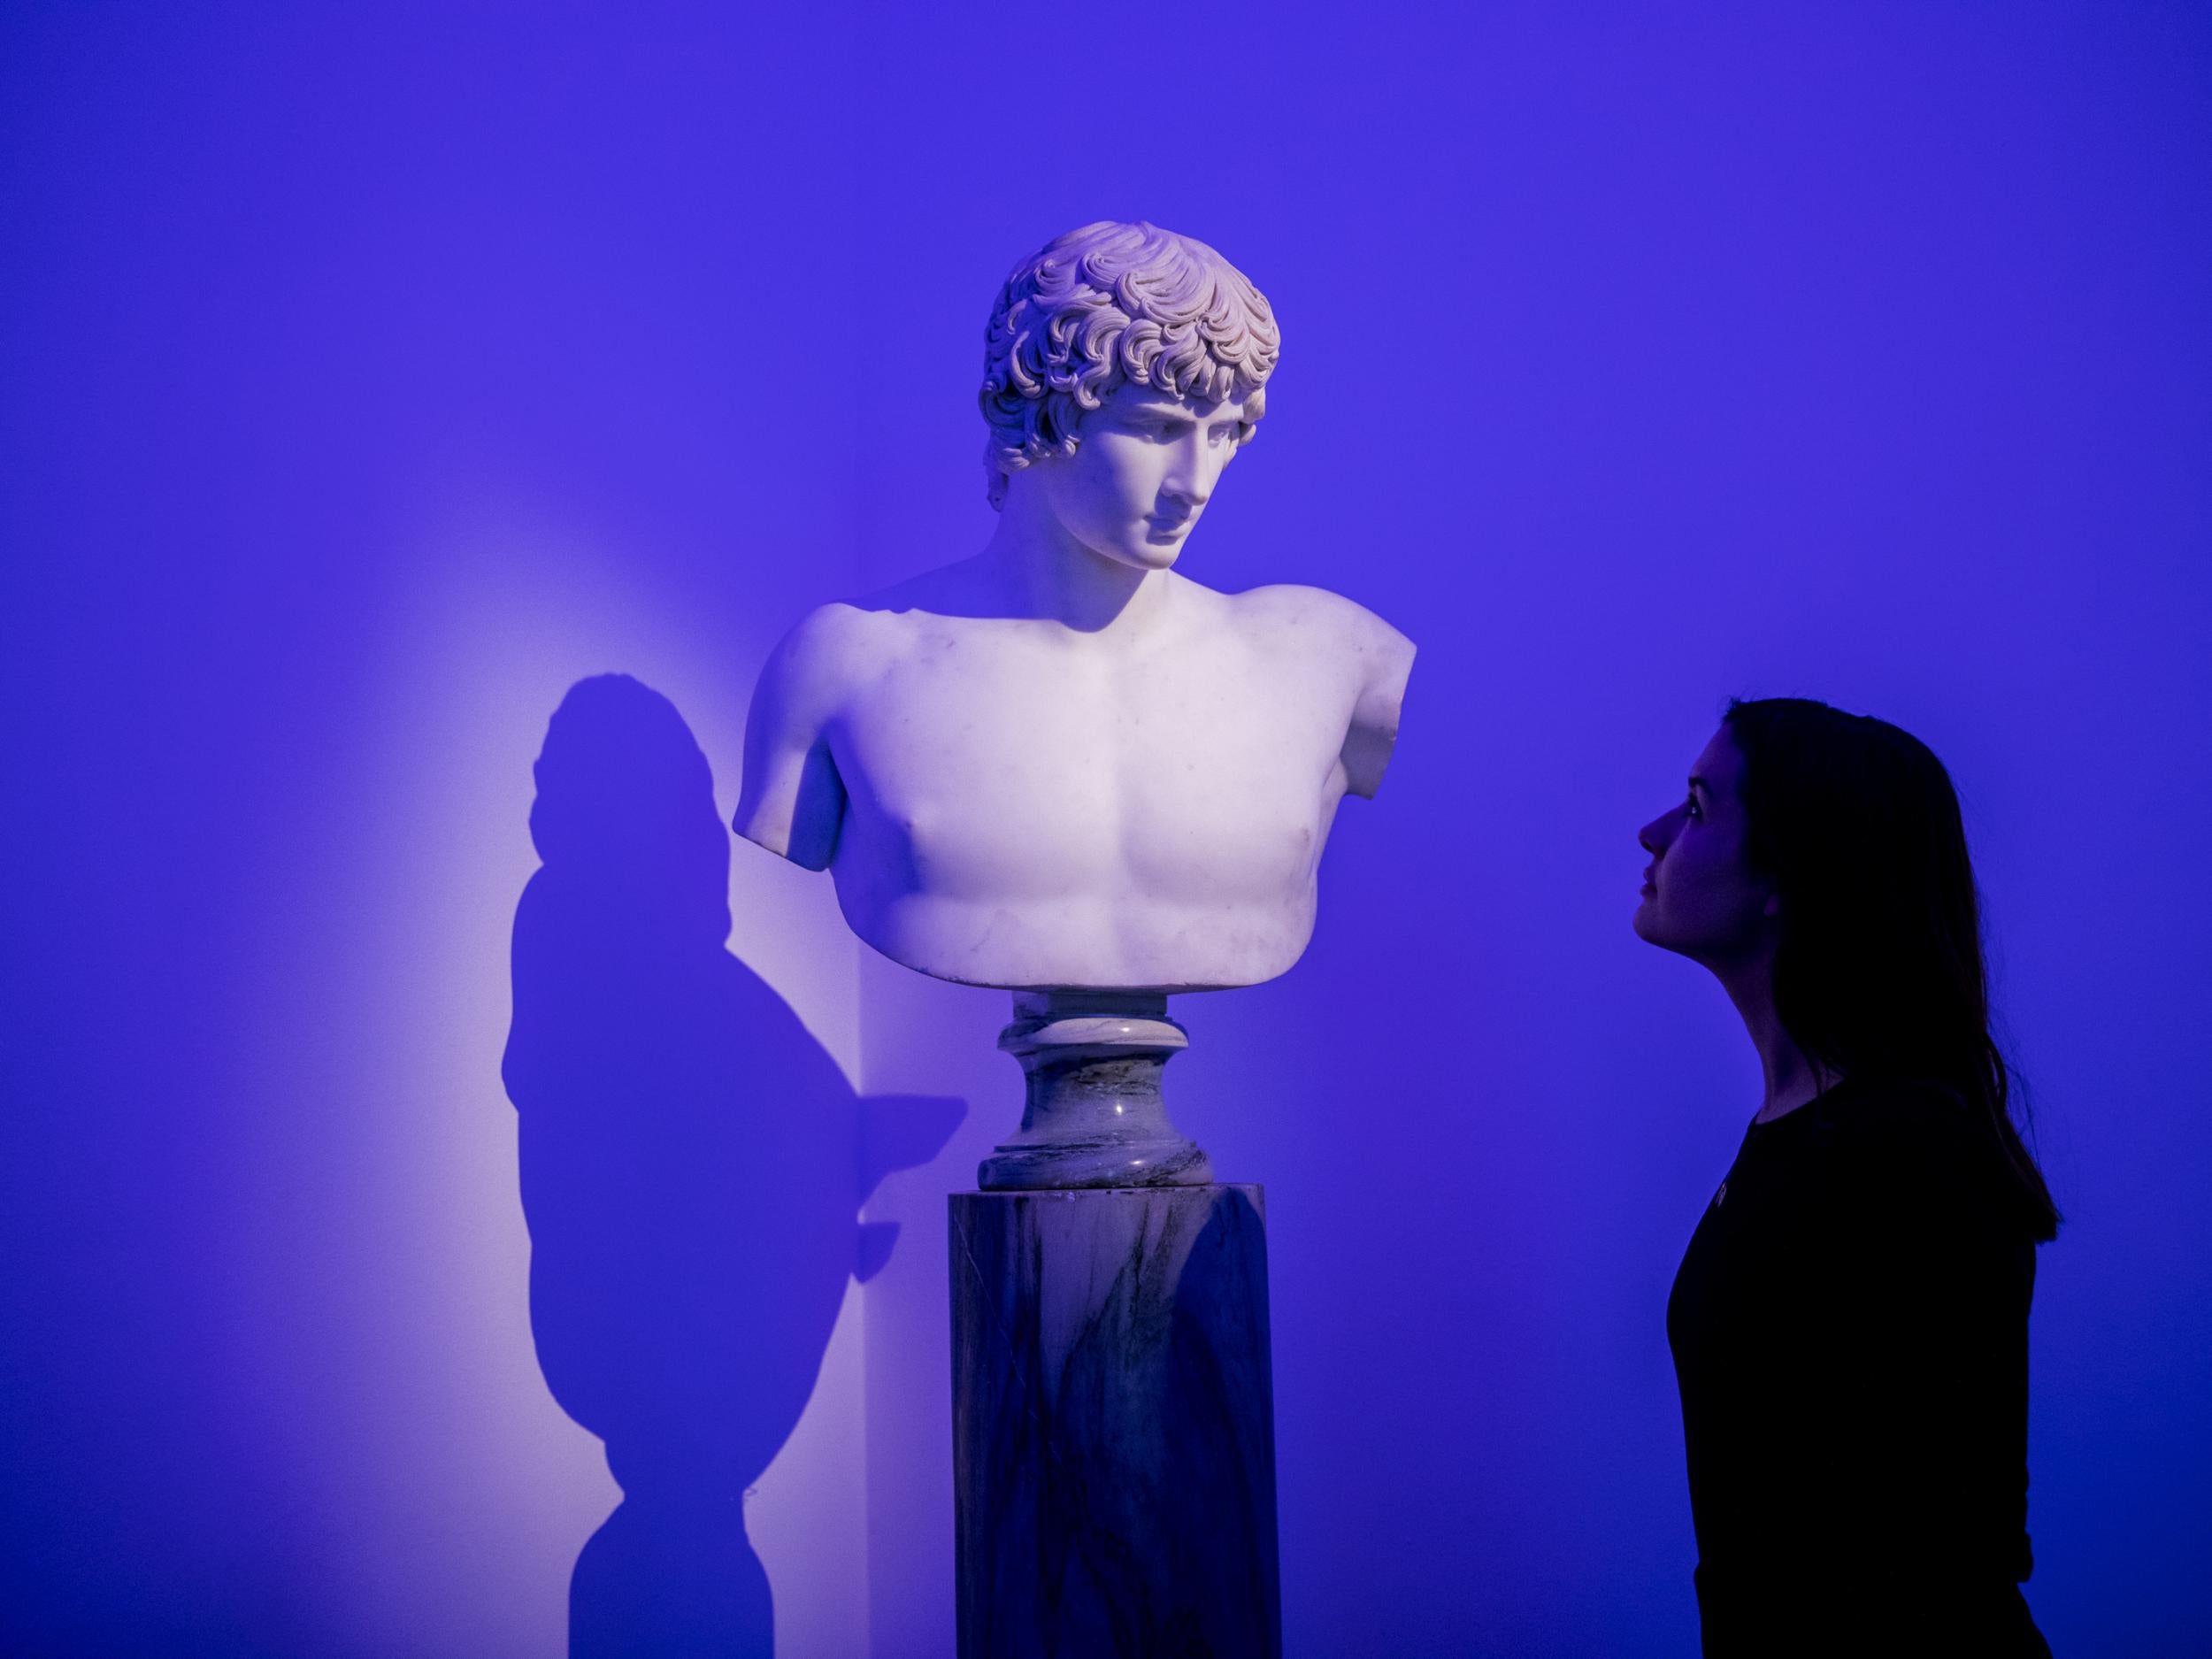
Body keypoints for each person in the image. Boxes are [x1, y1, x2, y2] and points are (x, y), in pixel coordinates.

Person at [1635, 697, 2059, 1656]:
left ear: (1789, 872)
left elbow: (1937, 1556)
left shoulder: (1908, 1156)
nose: (1654, 832)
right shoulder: (1801, 1135)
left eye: (1698, 808)